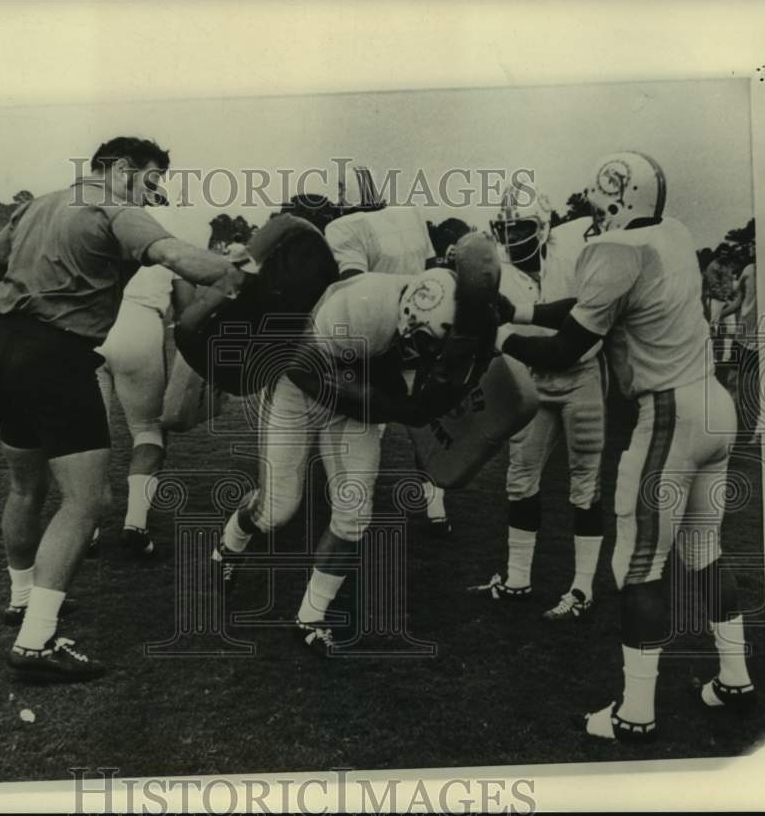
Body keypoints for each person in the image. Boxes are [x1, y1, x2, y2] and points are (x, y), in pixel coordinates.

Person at [0, 136, 244, 682]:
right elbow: (175, 256)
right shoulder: (115, 206)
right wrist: (240, 271)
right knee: (88, 499)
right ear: (119, 170)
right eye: (150, 177)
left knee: (26, 488)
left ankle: (22, 598)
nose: (155, 189)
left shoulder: (37, 205)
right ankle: (36, 642)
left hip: (3, 352)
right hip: (56, 357)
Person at [493, 151, 755, 741]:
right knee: (702, 550)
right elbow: (591, 309)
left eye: (595, 201)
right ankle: (734, 678)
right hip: (714, 405)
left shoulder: (614, 251)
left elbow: (566, 348)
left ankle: (634, 713)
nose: (591, 212)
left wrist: (504, 334)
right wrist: (526, 309)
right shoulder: (674, 234)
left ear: (616, 197)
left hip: (670, 414)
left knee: (636, 566)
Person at [213, 233, 501, 655]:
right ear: (406, 322)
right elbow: (299, 367)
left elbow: (464, 369)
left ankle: (310, 616)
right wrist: (383, 406)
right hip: (305, 381)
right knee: (277, 509)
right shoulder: (361, 306)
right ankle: (232, 541)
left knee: (353, 512)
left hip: (361, 386)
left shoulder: (469, 309)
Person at [469, 185, 605, 621]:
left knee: (585, 485)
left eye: (521, 227)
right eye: (505, 228)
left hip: (581, 374)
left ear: (544, 228)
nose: (512, 237)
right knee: (520, 478)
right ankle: (517, 579)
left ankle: (582, 588)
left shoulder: (576, 246)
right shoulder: (502, 273)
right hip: (532, 380)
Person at [323, 196, 457, 535]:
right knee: (423, 422)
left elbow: (354, 285)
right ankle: (434, 503)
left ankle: (351, 508)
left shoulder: (343, 228)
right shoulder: (409, 214)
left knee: (370, 421)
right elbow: (432, 271)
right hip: (426, 332)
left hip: (382, 336)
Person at [93, 203, 205, 558]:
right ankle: (135, 524)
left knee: (86, 434)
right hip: (139, 323)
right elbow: (186, 307)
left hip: (89, 323)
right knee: (148, 429)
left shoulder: (106, 215)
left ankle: (86, 527)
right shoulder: (186, 223)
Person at [717, 247, 760, 445]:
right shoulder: (749, 270)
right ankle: (728, 428)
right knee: (732, 380)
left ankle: (756, 431)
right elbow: (740, 301)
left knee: (755, 386)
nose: (754, 247)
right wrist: (719, 316)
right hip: (741, 336)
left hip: (761, 340)